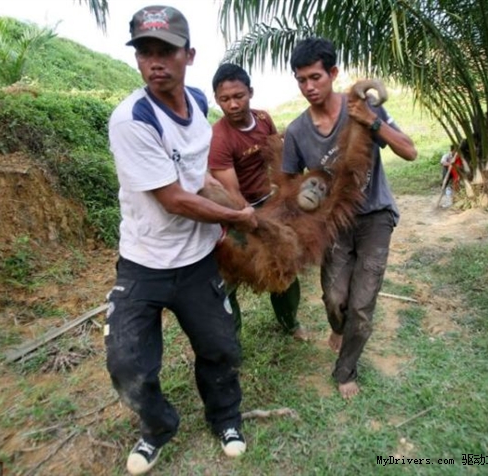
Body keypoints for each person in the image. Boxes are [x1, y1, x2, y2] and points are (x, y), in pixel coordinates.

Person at [106, 6, 257, 475]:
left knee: (220, 348)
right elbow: (174, 199)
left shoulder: (197, 102)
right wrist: (237, 216)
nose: (155, 62)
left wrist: (236, 207)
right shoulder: (132, 119)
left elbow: (197, 178)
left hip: (196, 261)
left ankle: (226, 419)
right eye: (145, 52)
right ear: (137, 60)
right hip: (144, 262)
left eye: (166, 51)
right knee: (128, 364)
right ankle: (157, 428)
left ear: (188, 55)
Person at [282, 38, 417, 399]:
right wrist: (309, 194)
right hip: (334, 225)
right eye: (301, 80)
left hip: (376, 218)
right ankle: (336, 327)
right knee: (334, 298)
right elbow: (291, 184)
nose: (309, 87)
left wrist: (372, 122)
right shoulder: (296, 131)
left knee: (361, 304)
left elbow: (409, 151)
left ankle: (346, 371)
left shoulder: (361, 107)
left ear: (333, 73)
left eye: (315, 77)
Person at [208, 63, 307, 341]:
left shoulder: (263, 119)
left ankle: (290, 322)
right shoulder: (219, 138)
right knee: (229, 279)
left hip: (271, 205)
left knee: (284, 268)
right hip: (237, 214)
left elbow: (277, 157)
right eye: (224, 99)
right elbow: (231, 192)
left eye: (238, 96)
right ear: (217, 100)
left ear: (250, 92)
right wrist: (255, 223)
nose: (232, 104)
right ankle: (232, 340)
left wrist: (286, 196)